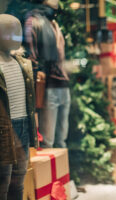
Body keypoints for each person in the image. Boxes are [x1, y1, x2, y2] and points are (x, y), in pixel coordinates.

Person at [0, 14, 38, 200]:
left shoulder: (22, 64)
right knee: (3, 181)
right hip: (3, 131)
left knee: (19, 179)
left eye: (19, 33)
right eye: (10, 33)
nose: (17, 37)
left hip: (22, 126)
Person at [24, 0, 71, 148]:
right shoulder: (34, 22)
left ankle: (63, 171)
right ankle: (49, 170)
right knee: (47, 141)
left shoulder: (54, 24)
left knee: (61, 140)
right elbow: (31, 56)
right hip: (47, 86)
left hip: (62, 84)